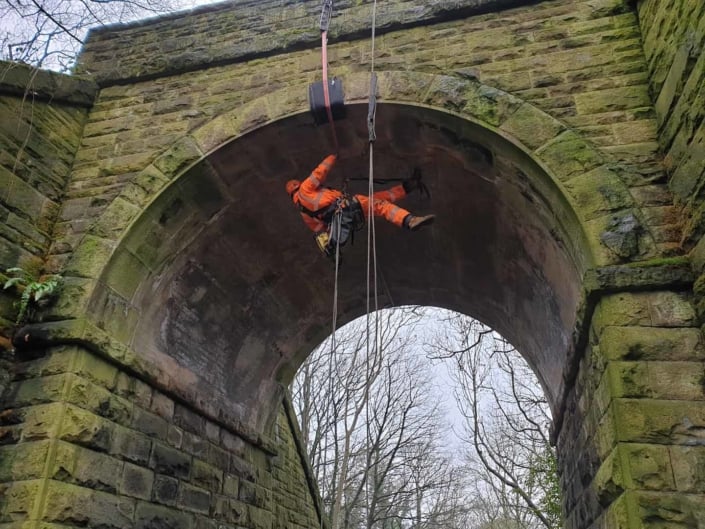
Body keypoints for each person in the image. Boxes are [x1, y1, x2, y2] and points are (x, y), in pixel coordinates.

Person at [286, 154, 435, 258]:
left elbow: (321, 230)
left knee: (377, 200)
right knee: (380, 205)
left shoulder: (304, 214)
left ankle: (409, 187)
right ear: (296, 185)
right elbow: (320, 172)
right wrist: (334, 155)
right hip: (346, 208)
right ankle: (410, 221)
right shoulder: (305, 188)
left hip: (345, 218)